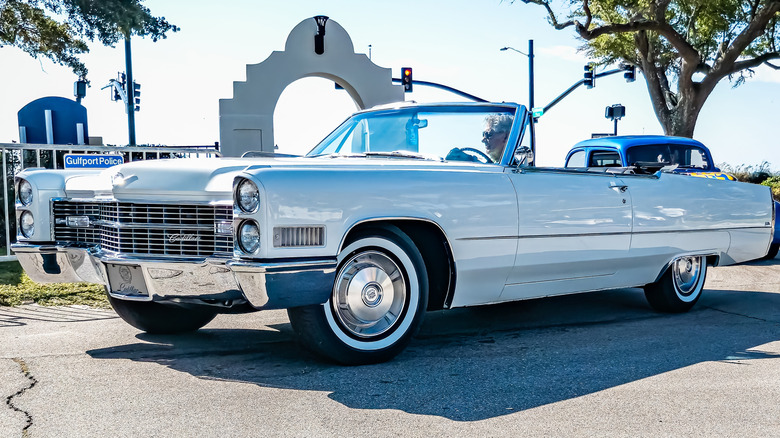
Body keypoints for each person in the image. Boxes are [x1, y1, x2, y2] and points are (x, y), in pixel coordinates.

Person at [445, 113, 513, 163]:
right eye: (483, 134)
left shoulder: (517, 166)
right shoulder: (491, 163)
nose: (483, 140)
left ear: (506, 136)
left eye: (488, 134)